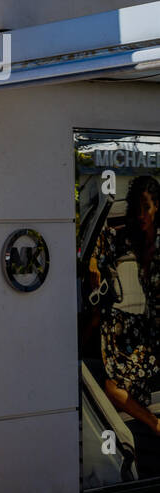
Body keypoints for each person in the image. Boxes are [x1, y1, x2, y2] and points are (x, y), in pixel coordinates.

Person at [89, 175, 160, 437]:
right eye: (137, 208)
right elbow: (100, 242)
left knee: (111, 386)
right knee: (111, 385)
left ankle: (152, 424)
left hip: (152, 335)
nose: (141, 215)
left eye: (147, 207)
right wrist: (93, 260)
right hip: (137, 327)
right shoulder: (129, 238)